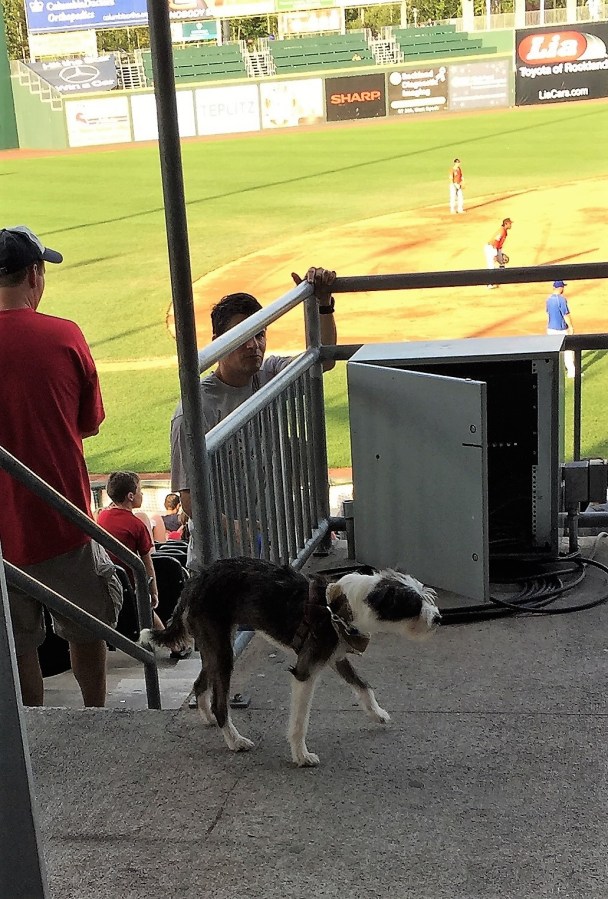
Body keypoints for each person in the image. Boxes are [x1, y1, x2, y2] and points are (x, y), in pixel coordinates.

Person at [0, 225, 122, 707]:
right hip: (62, 516)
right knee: (85, 629)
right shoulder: (64, 334)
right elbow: (88, 423)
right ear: (35, 274)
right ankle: (95, 718)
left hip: (3, 534)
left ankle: (36, 735)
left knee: (18, 643)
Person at [170, 266, 337, 570]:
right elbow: (190, 499)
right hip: (221, 567)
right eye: (242, 336)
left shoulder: (269, 373)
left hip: (272, 555)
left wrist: (323, 304)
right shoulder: (194, 410)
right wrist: (234, 527)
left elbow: (323, 360)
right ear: (218, 340)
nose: (253, 345)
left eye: (259, 334)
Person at [97, 472, 164, 631]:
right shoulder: (137, 525)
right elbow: (147, 564)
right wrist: (153, 592)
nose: (142, 494)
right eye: (140, 490)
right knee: (145, 606)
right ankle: (172, 644)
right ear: (130, 496)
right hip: (130, 586)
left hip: (108, 582)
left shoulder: (102, 517)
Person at [546, 279, 575, 378]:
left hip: (550, 329)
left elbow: (548, 314)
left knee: (554, 352)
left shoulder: (549, 299)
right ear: (560, 288)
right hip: (561, 329)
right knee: (568, 351)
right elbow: (565, 315)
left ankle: (553, 373)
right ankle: (572, 373)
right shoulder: (561, 300)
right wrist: (570, 327)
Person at [484, 217, 512, 288]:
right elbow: (496, 241)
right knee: (491, 266)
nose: (511, 225)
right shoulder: (501, 231)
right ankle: (489, 284)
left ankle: (501, 277)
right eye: (510, 224)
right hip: (491, 248)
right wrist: (495, 254)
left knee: (501, 262)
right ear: (505, 224)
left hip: (496, 248)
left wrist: (500, 253)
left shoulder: (504, 231)